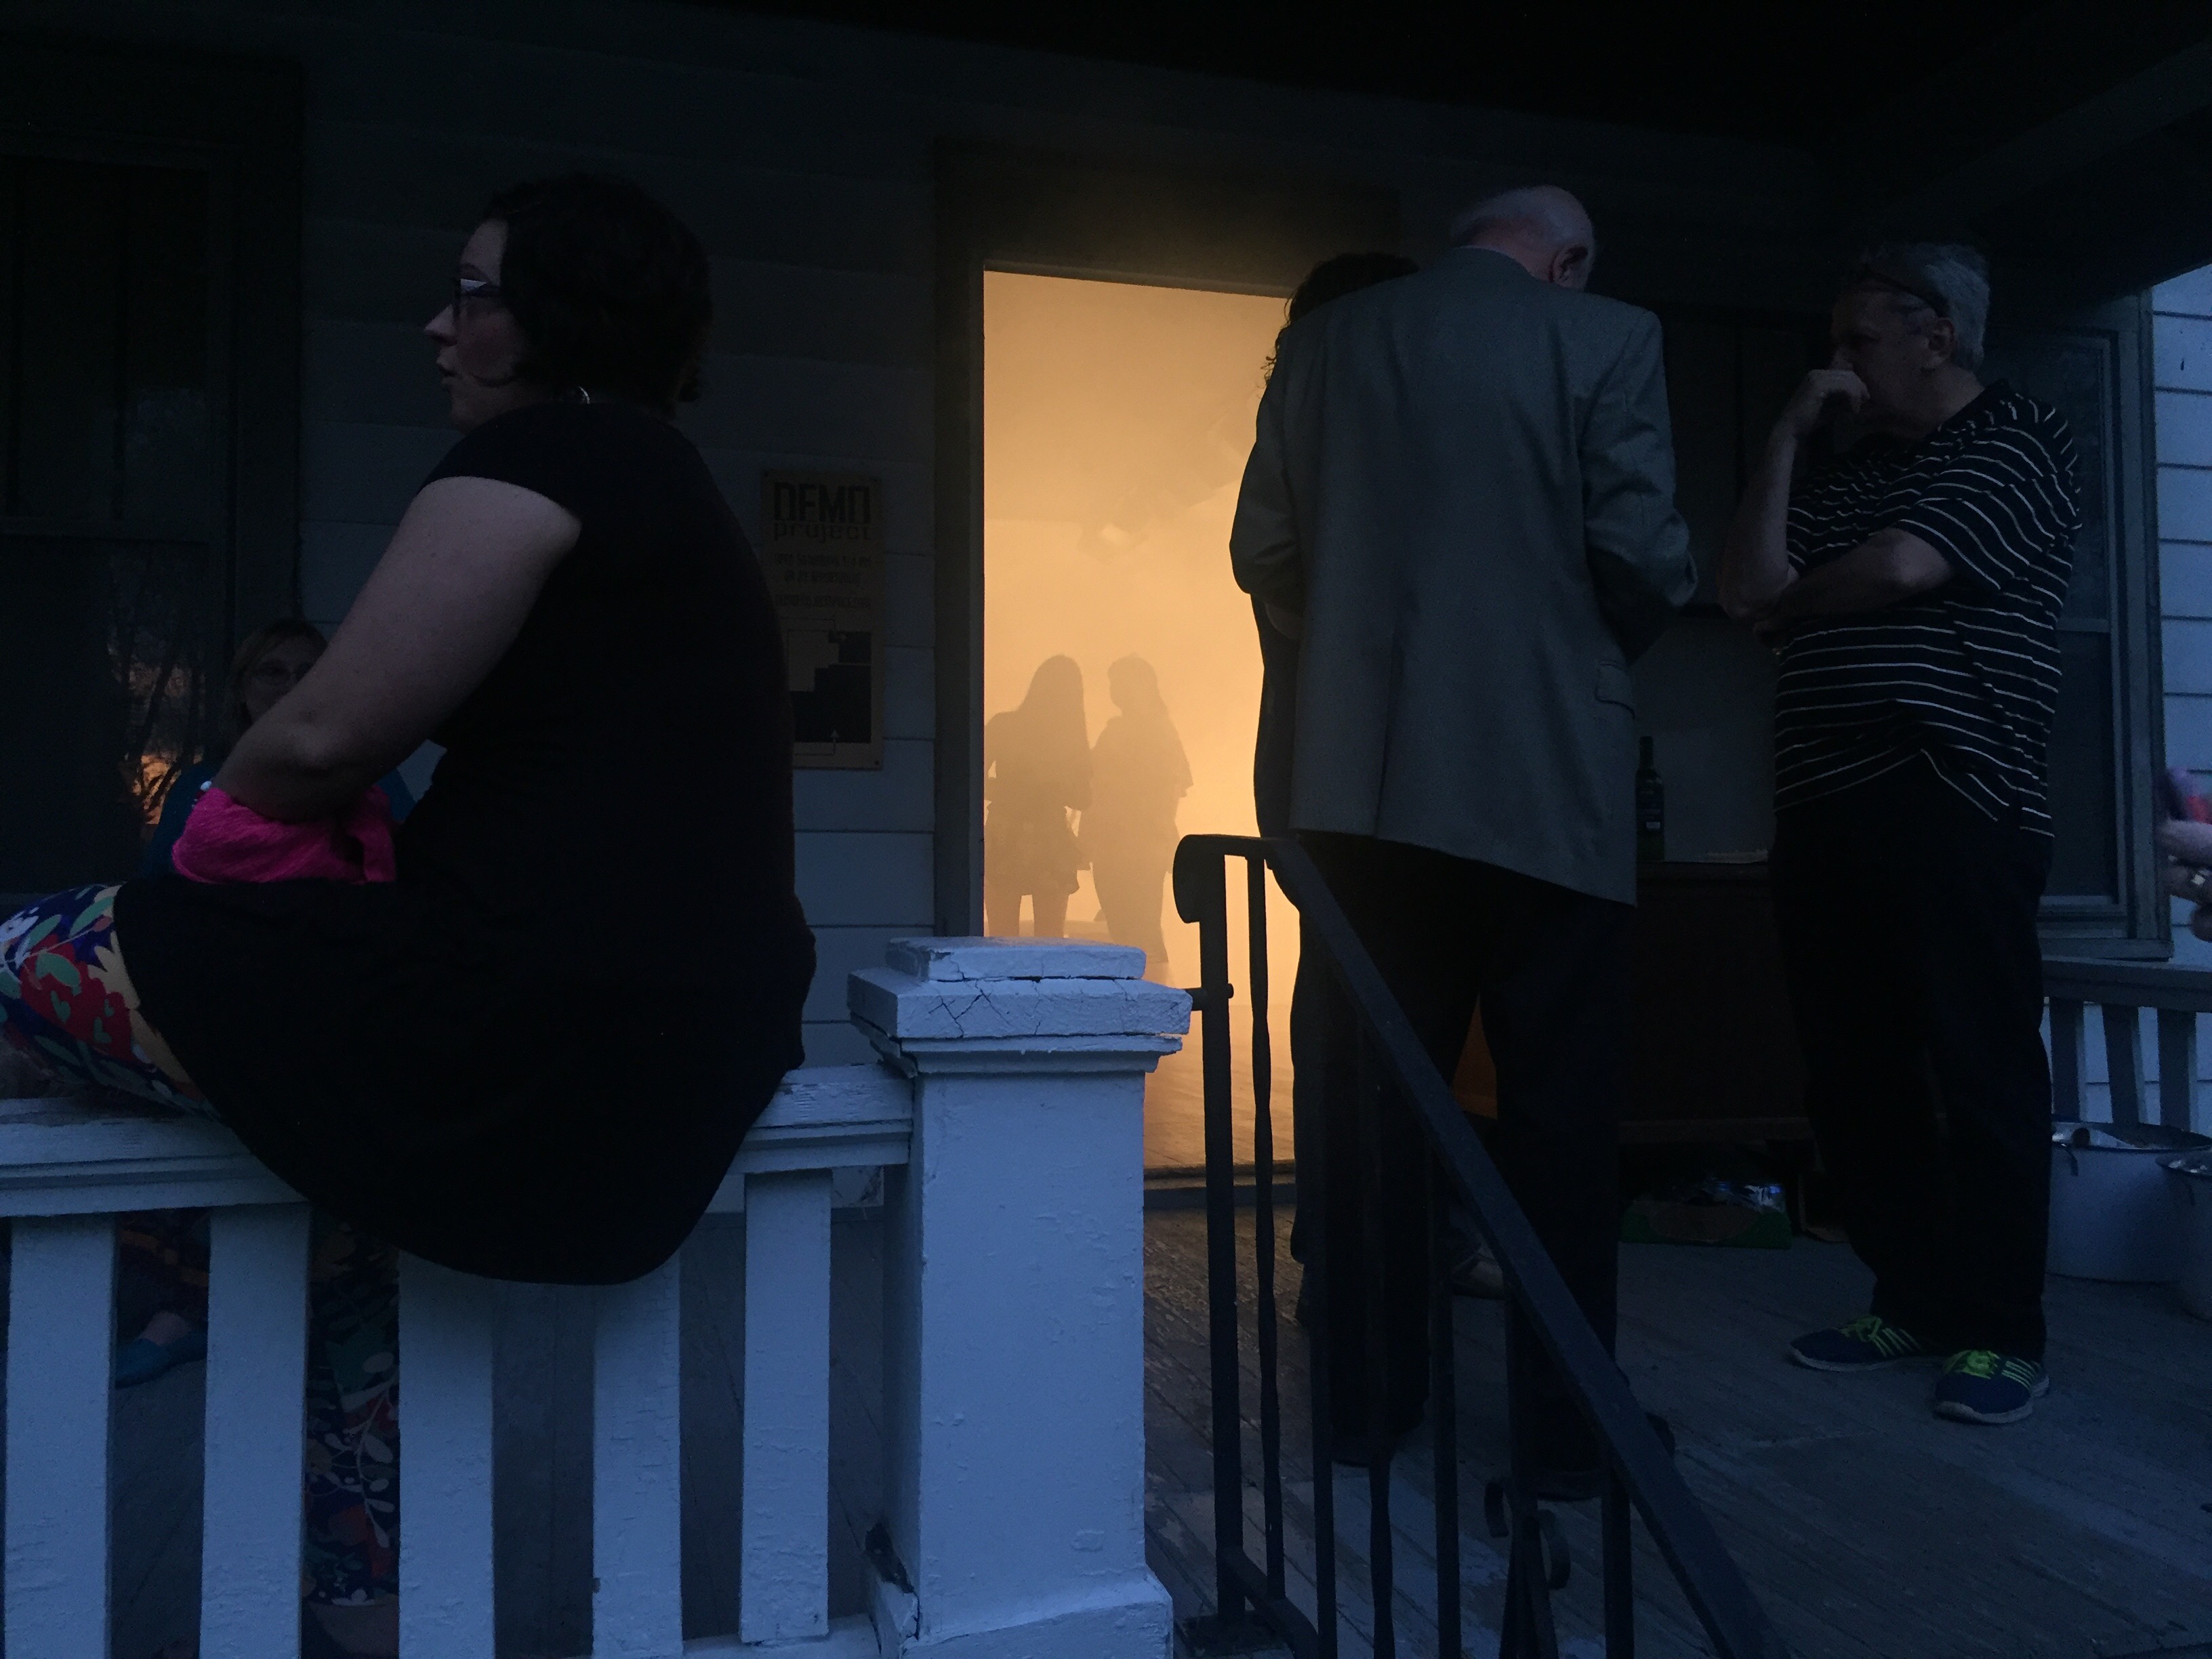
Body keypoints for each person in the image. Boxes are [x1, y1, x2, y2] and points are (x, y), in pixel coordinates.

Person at [0, 172, 815, 1656]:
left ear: (557, 318)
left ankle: (160, 1275)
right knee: (341, 1256)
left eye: (474, 294)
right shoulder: (669, 486)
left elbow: (317, 741)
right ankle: (366, 1613)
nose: (439, 327)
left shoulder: (548, 458)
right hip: (667, 1055)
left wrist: (201, 856)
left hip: (498, 1019)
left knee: (13, 964)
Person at [1230, 185, 1694, 1485]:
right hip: (1545, 778)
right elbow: (1643, 555)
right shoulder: (1605, 337)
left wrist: (1355, 671)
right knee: (1555, 1114)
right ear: (1565, 261)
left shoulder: (1328, 344)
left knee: (1375, 1105)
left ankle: (1364, 1411)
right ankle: (1563, 1437)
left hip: (1362, 785)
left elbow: (1261, 545)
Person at [1719, 243, 2081, 1427]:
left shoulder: (2017, 436)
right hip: (1822, 802)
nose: (1839, 364)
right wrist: (1782, 433)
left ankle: (1999, 1328)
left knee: (1975, 1068)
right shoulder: (1847, 467)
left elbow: (1903, 564)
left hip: (1953, 797)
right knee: (1851, 1070)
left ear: (1936, 333)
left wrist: (1791, 599)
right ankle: (1910, 1296)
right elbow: (1743, 585)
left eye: (1857, 339)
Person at [1081, 655, 1190, 973]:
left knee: (1143, 930)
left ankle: (1153, 995)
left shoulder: (1159, 732)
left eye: (1122, 683)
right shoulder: (1116, 731)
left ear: (1144, 687)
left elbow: (1168, 793)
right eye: (1113, 683)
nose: (1116, 691)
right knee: (1122, 928)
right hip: (1109, 843)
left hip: (1140, 846)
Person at [984, 655, 1092, 938]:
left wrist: (1009, 791)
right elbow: (1084, 798)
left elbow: (971, 779)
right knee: (1050, 940)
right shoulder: (1071, 739)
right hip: (1049, 837)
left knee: (1001, 938)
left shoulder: (1003, 725)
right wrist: (1050, 790)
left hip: (1006, 835)